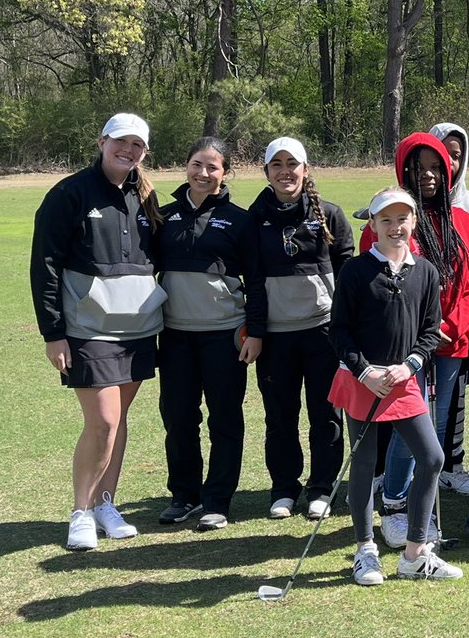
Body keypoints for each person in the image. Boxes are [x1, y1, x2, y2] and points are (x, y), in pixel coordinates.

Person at [31, 113, 165, 551]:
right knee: (103, 421)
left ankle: (106, 504)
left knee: (118, 420)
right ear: (102, 142)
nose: (128, 150)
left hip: (137, 329)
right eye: (120, 142)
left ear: (144, 152)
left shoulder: (146, 197)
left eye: (137, 145)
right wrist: (53, 332)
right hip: (87, 330)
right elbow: (45, 265)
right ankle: (81, 512)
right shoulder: (68, 193)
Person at [328, 189, 461, 583]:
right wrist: (365, 371)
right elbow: (339, 331)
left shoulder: (426, 272)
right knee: (365, 462)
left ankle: (415, 554)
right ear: (372, 224)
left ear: (413, 222)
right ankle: (365, 550)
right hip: (361, 379)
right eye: (385, 219)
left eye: (402, 218)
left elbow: (430, 332)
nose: (395, 227)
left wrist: (410, 366)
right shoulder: (355, 271)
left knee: (432, 458)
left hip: (403, 379)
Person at [379, 133, 469, 547]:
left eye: (435, 168)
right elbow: (379, 282)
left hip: (450, 342)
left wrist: (453, 324)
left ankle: (419, 512)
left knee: (436, 427)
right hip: (407, 347)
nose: (426, 175)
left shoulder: (463, 221)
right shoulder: (392, 220)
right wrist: (416, 334)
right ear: (402, 171)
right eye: (417, 168)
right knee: (411, 429)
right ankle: (393, 505)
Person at [155, 137, 267, 531]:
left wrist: (256, 332)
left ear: (225, 172)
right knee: (178, 418)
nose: (203, 173)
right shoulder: (163, 216)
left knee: (224, 419)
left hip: (225, 336)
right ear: (185, 166)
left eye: (212, 167)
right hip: (174, 336)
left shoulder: (240, 220)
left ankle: (217, 500)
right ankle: (184, 495)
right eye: (197, 165)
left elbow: (256, 281)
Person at [249, 137, 353, 520]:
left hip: (322, 333)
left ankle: (322, 488)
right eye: (276, 164)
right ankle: (284, 488)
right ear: (266, 172)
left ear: (305, 169)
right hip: (275, 337)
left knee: (325, 414)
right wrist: (255, 331)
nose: (285, 171)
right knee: (280, 416)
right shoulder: (253, 218)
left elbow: (348, 280)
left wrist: (347, 332)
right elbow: (252, 282)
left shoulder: (330, 215)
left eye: (292, 163)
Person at [429, 122, 469, 495]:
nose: (449, 163)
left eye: (456, 156)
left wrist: (456, 322)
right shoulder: (405, 200)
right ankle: (398, 473)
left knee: (453, 401)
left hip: (459, 325)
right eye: (442, 154)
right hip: (416, 329)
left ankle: (452, 466)